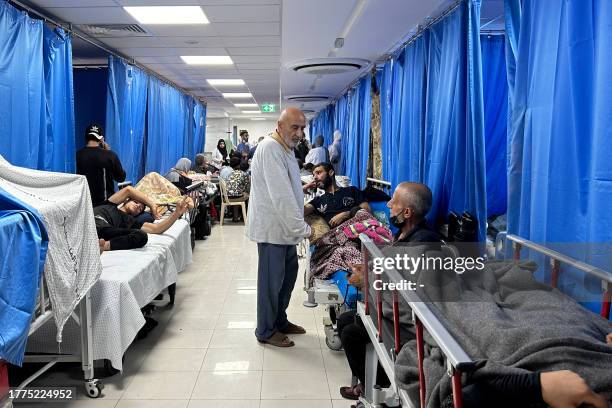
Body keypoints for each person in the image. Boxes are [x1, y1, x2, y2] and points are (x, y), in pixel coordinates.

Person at [246, 107, 312, 348]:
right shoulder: (270, 148)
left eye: (303, 128)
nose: (299, 133)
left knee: (287, 280)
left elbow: (288, 187)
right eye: (294, 127)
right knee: (270, 284)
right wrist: (306, 230)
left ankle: (279, 321)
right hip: (273, 230)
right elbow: (281, 197)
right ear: (280, 125)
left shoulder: (286, 149)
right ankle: (265, 330)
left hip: (286, 230)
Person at [95, 186, 189, 252]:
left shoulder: (130, 221)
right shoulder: (110, 204)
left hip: (104, 231)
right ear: (125, 201)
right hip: (89, 221)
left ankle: (103, 246)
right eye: (135, 202)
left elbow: (156, 228)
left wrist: (176, 214)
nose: (137, 206)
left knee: (141, 236)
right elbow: (128, 190)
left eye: (140, 208)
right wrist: (152, 205)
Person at [303, 162, 370, 227]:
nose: (315, 177)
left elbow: (367, 210)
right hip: (335, 235)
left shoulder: (352, 190)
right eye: (313, 175)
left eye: (318, 173)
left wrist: (347, 214)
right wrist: (301, 190)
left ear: (331, 173)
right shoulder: (318, 200)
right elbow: (299, 213)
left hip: (359, 229)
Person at [76, 124, 126, 207]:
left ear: (86, 137)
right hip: (105, 206)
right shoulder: (110, 155)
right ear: (101, 139)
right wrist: (108, 152)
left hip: (84, 206)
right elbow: (121, 178)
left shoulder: (77, 156)